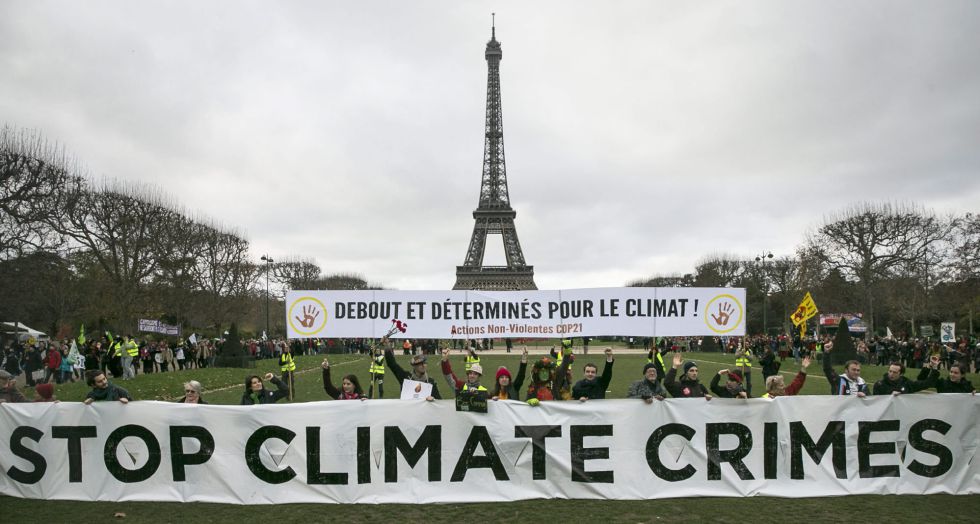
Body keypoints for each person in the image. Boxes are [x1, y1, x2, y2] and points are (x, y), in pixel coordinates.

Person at [873, 356, 940, 396]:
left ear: (901, 374)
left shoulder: (907, 383)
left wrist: (932, 367)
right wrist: (890, 394)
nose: (891, 374)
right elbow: (877, 402)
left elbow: (926, 383)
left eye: (895, 372)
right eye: (890, 371)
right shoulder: (879, 384)